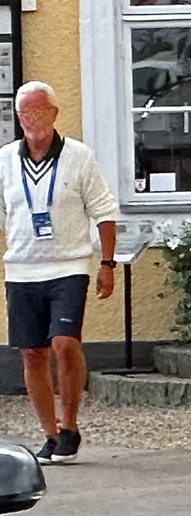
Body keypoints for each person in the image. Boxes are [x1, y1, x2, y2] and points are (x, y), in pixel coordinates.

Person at [1, 83, 117, 464]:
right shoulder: (5, 161)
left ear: (53, 113)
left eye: (37, 111)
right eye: (24, 114)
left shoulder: (78, 156)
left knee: (64, 343)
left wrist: (107, 264)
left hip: (68, 265)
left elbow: (104, 210)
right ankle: (50, 434)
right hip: (22, 268)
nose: (31, 119)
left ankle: (70, 425)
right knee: (32, 352)